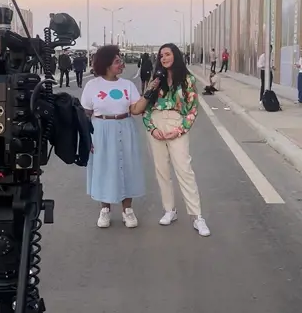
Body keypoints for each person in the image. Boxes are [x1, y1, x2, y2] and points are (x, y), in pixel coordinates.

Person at [143, 43, 210, 237]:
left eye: (167, 54)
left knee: (184, 170)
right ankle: (169, 210)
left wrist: (180, 129)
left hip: (176, 124)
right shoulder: (156, 79)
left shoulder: (187, 79)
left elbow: (193, 108)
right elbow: (146, 105)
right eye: (161, 55)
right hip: (156, 124)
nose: (164, 58)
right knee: (161, 170)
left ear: (176, 56)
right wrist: (152, 128)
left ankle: (197, 216)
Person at [79, 45, 148, 229]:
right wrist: (87, 138)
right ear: (106, 64)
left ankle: (128, 210)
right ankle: (105, 210)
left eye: (121, 60)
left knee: (126, 166)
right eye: (117, 61)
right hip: (100, 129)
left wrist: (149, 94)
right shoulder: (92, 86)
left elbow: (135, 109)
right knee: (104, 168)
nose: (121, 64)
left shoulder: (128, 85)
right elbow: (85, 113)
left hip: (125, 127)